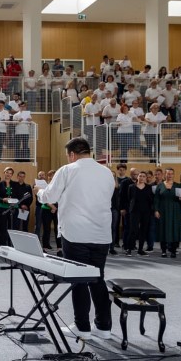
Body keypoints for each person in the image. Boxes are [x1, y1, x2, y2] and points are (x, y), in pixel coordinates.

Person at [36, 137, 116, 340]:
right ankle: (103, 326)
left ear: (72, 154)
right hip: (101, 234)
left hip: (76, 233)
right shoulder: (106, 172)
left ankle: (82, 326)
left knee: (79, 280)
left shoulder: (67, 170)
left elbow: (50, 197)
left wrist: (39, 192)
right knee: (97, 278)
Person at [153, 168, 181, 258]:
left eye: (171, 173)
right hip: (163, 210)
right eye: (168, 173)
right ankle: (163, 251)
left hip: (175, 211)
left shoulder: (178, 185)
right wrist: (156, 210)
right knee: (163, 229)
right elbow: (156, 199)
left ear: (173, 175)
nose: (169, 175)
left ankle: (173, 250)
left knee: (174, 230)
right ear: (164, 174)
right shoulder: (160, 185)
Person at [126, 170, 154, 256]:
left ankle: (140, 250)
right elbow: (129, 199)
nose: (141, 178)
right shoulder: (131, 187)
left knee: (143, 230)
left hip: (146, 211)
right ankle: (129, 249)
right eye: (140, 176)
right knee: (133, 230)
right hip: (134, 211)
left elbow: (151, 200)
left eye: (143, 176)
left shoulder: (149, 187)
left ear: (146, 178)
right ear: (137, 177)